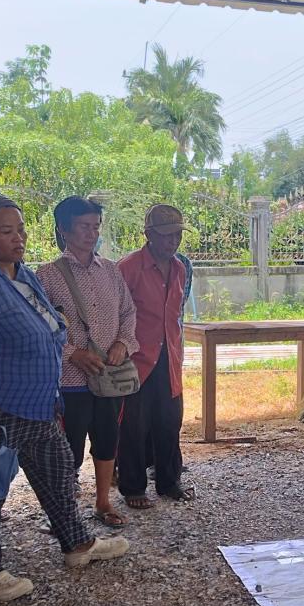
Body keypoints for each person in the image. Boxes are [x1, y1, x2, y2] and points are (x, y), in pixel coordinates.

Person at [0, 194, 129, 600]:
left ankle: (76, 544)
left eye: (20, 229)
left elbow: (51, 321)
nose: (18, 238)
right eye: (6, 231)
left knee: (56, 474)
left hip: (40, 401)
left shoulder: (22, 273)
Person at [37, 196, 138, 527]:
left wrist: (123, 343)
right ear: (63, 230)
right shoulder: (48, 275)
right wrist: (72, 354)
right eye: (83, 227)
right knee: (69, 447)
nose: (91, 233)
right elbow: (41, 326)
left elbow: (128, 311)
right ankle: (65, 513)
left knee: (108, 438)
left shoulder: (110, 271)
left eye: (95, 226)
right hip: (70, 379)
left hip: (109, 376)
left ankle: (103, 501)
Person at [117, 204, 191, 507]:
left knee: (170, 420)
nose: (172, 241)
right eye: (165, 235)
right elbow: (116, 314)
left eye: (176, 235)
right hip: (136, 358)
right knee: (133, 424)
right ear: (148, 235)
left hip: (169, 357)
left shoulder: (180, 268)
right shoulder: (128, 267)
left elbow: (175, 315)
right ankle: (133, 487)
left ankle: (169, 481)